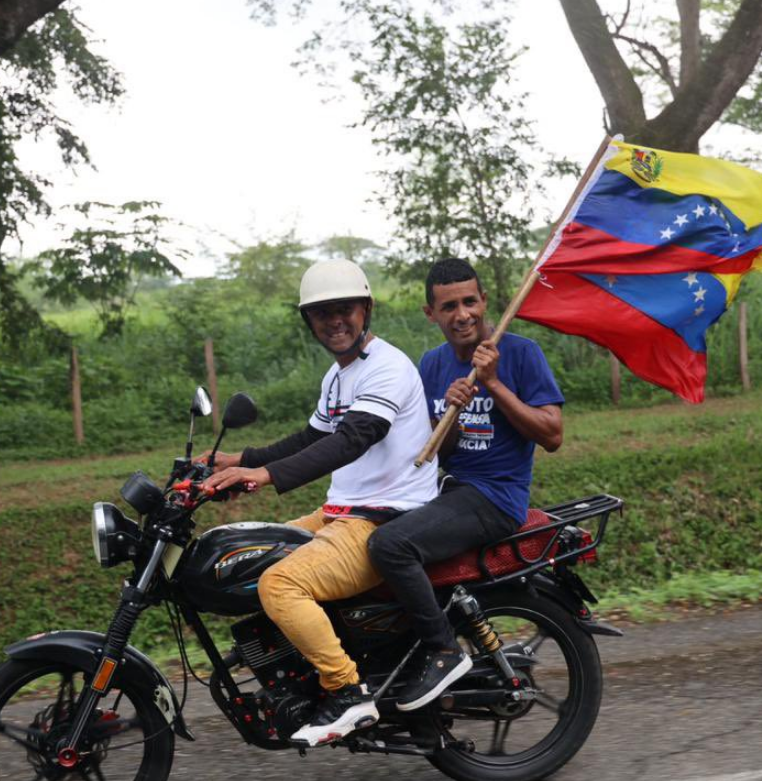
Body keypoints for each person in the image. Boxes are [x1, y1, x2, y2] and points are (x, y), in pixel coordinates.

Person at [203, 259, 438, 746]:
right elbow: (312, 436)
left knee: (280, 584)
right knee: (254, 552)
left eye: (345, 308)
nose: (335, 320)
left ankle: (346, 689)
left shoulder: (387, 368)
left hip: (382, 518)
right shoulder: (339, 376)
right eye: (322, 312)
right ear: (308, 321)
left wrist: (264, 475)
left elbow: (353, 439)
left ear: (366, 309)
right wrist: (238, 458)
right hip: (344, 512)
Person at [367, 257, 564, 712]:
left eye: (470, 301)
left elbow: (552, 435)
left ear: (485, 301)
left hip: (495, 497)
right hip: (446, 490)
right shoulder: (432, 365)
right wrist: (448, 416)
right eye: (449, 305)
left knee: (391, 546)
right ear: (430, 313)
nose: (462, 315)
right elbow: (435, 448)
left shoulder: (521, 354)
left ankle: (443, 651)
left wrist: (494, 385)